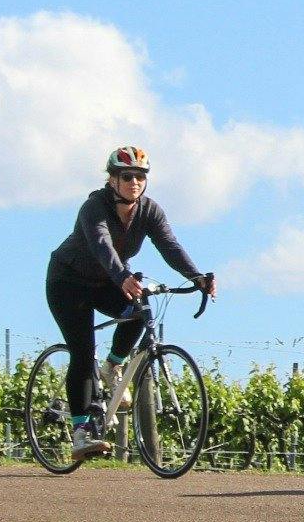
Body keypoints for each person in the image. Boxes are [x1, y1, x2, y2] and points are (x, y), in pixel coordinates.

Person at [46, 145, 216, 461]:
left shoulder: (149, 211)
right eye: (127, 177)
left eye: (140, 177)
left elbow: (170, 246)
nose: (134, 182)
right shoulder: (94, 207)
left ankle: (113, 365)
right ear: (113, 180)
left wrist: (197, 277)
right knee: (82, 353)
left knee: (140, 311)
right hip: (67, 283)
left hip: (106, 283)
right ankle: (81, 434)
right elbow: (102, 245)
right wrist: (123, 274)